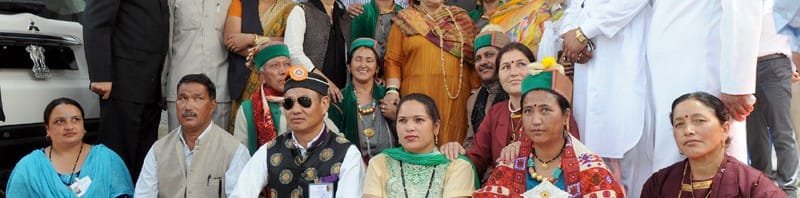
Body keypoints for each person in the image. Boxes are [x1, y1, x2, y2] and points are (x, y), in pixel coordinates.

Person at [474, 60, 624, 197]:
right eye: (528, 111)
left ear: (566, 116)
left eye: (545, 110)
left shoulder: (591, 169)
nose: (536, 120)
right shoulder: (509, 165)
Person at [646, 0, 760, 180]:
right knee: (672, 154)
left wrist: (737, 85)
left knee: (712, 156)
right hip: (667, 71)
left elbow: (742, 8)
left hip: (703, 68)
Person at [558, 0, 649, 195]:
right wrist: (570, 37)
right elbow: (575, 6)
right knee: (590, 152)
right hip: (588, 68)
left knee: (630, 151)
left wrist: (584, 33)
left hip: (622, 61)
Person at [231, 68, 365, 197]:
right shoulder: (269, 151)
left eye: (304, 101)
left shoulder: (347, 154)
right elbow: (241, 193)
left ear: (324, 104)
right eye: (288, 103)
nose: (295, 110)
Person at [83, 0, 168, 180]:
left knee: (144, 159)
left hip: (150, 84)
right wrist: (100, 75)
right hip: (122, 81)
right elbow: (96, 21)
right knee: (117, 155)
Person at [642, 92, 786, 197]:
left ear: (725, 129)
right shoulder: (659, 184)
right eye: (679, 124)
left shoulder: (753, 185)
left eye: (699, 120)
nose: (688, 130)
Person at [135, 74, 250, 198]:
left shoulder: (234, 151)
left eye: (198, 98)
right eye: (182, 98)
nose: (188, 106)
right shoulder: (158, 150)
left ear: (212, 106)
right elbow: (144, 194)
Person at [384, 0, 478, 146]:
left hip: (456, 99)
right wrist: (392, 91)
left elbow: (473, 59)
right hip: (416, 96)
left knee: (452, 150)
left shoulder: (461, 19)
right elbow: (393, 60)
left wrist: (475, 93)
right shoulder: (406, 19)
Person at [5, 98, 133, 197]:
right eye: (60, 121)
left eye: (76, 119)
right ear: (47, 129)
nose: (69, 126)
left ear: (84, 126)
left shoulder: (107, 159)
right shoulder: (29, 166)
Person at [442, 42, 528, 181]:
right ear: (499, 74)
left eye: (521, 64)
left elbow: (565, 146)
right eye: (505, 67)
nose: (513, 72)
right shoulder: (496, 111)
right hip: (498, 187)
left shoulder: (550, 105)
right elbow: (478, 155)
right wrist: (456, 155)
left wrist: (527, 147)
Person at [363, 93, 477, 198]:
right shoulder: (380, 163)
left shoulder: (456, 165)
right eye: (402, 120)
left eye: (418, 120)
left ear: (436, 127)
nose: (409, 127)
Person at [234, 44, 342, 153]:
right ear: (262, 77)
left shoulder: (307, 100)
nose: (283, 71)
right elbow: (241, 156)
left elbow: (336, 139)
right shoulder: (247, 110)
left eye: (287, 64)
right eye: (274, 66)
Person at [748, 0, 799, 196]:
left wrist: (792, 66)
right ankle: (761, 183)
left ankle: (788, 187)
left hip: (775, 63)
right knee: (755, 132)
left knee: (781, 130)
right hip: (746, 67)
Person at [224, 0, 296, 126]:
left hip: (276, 79)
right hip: (243, 80)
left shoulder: (290, 8)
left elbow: (290, 41)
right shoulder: (240, 3)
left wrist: (252, 39)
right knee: (245, 125)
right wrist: (268, 52)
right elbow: (231, 41)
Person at [165, 0, 233, 132]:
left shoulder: (230, 2)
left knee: (217, 146)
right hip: (180, 88)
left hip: (219, 89)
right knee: (178, 145)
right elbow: (167, 43)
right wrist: (163, 85)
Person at [328, 38, 397, 163]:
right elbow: (332, 142)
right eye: (358, 59)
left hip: (389, 165)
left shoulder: (388, 97)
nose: (363, 65)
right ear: (349, 66)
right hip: (353, 167)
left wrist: (396, 116)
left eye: (369, 60)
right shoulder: (339, 100)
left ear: (377, 68)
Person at [285, 0, 352, 98]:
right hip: (308, 90)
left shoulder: (343, 16)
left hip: (340, 94)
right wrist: (322, 81)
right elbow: (293, 52)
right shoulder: (301, 11)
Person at [463, 31, 510, 147]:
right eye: (478, 58)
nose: (483, 62)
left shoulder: (519, 91)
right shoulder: (473, 100)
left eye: (489, 55)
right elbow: (471, 142)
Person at [487, 0, 564, 56]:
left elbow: (563, 34)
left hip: (548, 65)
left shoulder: (550, 3)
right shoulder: (497, 18)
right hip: (511, 70)